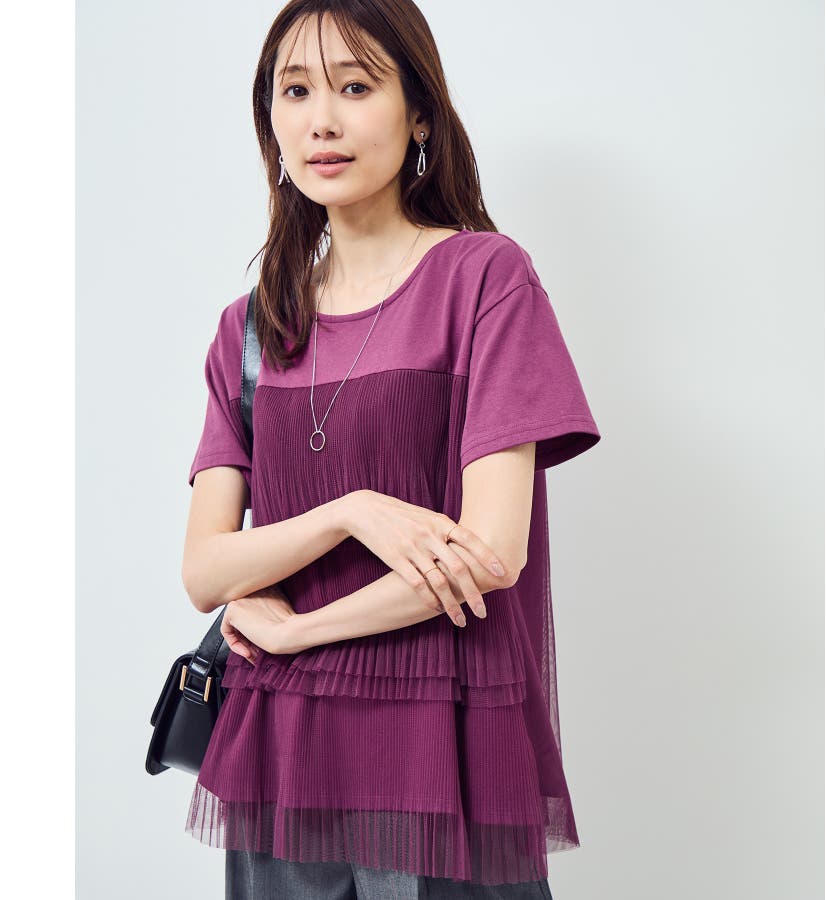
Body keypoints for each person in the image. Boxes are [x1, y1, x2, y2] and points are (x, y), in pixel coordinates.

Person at [181, 2, 602, 897]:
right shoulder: (250, 331)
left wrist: (299, 630)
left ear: (420, 115)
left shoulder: (485, 280)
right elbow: (206, 570)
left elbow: (488, 555)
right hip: (279, 756)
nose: (321, 121)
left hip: (439, 755)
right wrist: (351, 513)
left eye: (355, 86)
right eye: (296, 91)